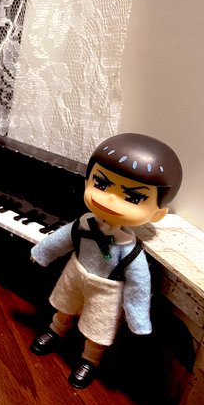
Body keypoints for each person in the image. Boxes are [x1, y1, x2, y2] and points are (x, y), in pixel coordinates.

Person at [29, 133, 183, 389]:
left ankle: (90, 360)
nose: (110, 198)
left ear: (157, 214)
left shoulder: (128, 249)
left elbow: (138, 285)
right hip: (75, 273)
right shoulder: (84, 224)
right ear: (87, 181)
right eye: (101, 183)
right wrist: (42, 253)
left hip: (106, 290)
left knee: (98, 328)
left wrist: (138, 319)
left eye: (132, 197)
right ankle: (55, 330)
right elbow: (61, 239)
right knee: (65, 305)